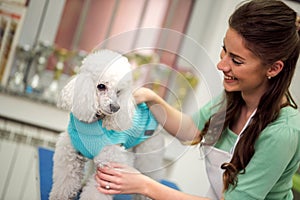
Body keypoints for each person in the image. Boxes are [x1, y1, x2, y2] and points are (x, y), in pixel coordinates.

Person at [95, 0, 300, 199]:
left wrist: (146, 185)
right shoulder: (235, 98)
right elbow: (191, 130)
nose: (222, 65)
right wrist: (151, 98)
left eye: (236, 60)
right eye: (224, 50)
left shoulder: (282, 133)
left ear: (273, 68)